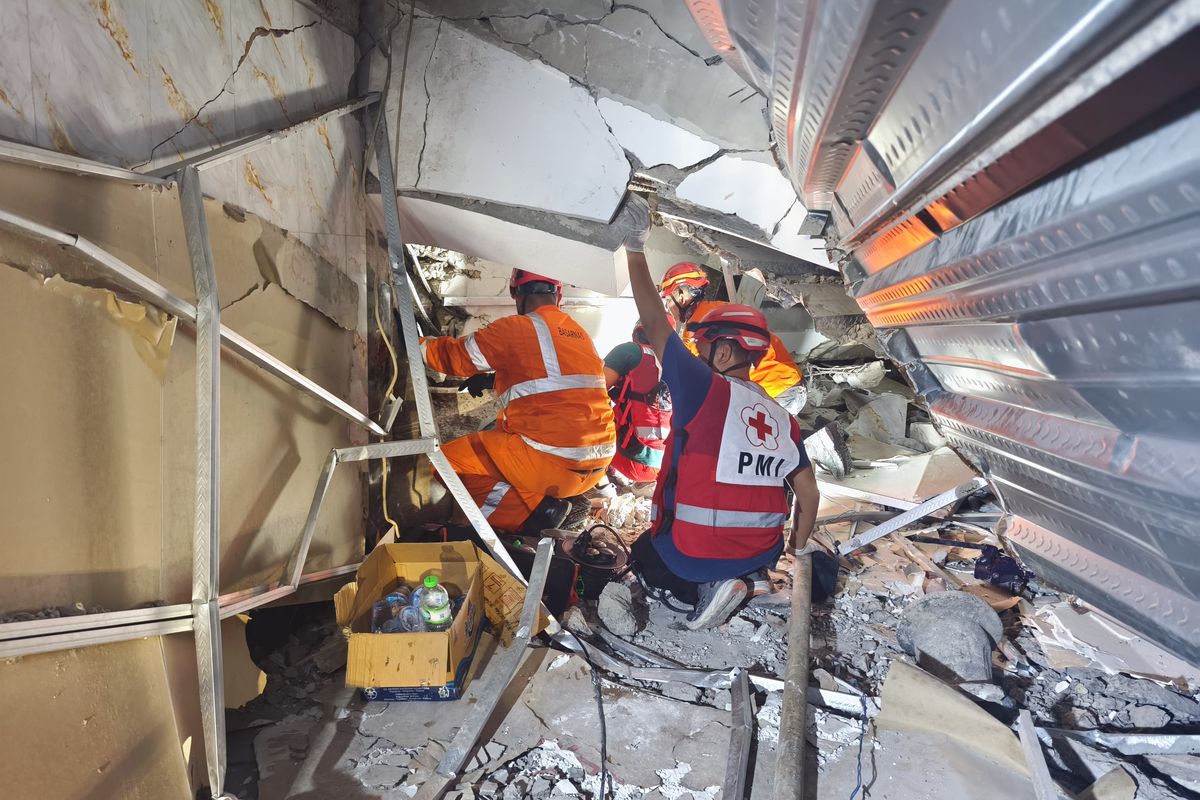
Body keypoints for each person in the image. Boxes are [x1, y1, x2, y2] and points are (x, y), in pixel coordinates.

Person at [621, 199, 821, 629]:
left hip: (693, 553)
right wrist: (798, 548)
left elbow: (656, 325)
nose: (698, 354)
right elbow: (808, 495)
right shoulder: (782, 418)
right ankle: (750, 575)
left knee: (644, 555)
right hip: (765, 550)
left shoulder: (704, 389)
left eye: (704, 347)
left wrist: (634, 248)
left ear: (725, 349)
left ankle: (705, 587)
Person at [420, 269, 616, 534]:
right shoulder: (580, 335)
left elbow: (457, 357)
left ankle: (536, 512)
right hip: (595, 467)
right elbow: (550, 381)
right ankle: (559, 501)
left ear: (515, 293)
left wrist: (417, 343)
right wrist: (490, 380)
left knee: (446, 460)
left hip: (553, 465)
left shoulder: (515, 328)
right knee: (498, 439)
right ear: (558, 294)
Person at [659, 262, 807, 414]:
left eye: (668, 300)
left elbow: (696, 377)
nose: (668, 308)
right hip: (788, 383)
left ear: (681, 296)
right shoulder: (716, 309)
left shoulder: (696, 330)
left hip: (775, 391)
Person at [602, 320, 673, 487]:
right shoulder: (680, 364)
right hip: (666, 464)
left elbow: (592, 389)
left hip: (628, 457)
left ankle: (601, 482)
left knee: (587, 404)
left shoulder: (629, 351)